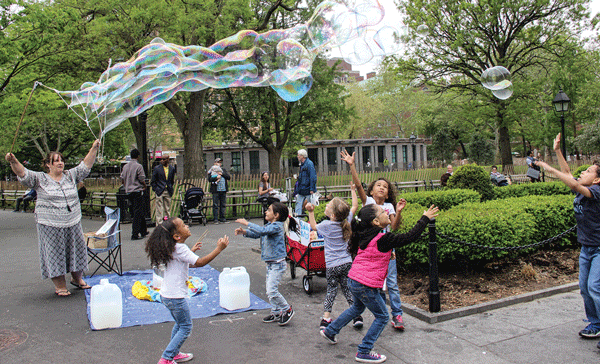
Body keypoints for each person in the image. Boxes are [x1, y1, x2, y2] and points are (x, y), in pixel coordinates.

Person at [320, 203, 439, 363]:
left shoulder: (366, 236)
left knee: (357, 308)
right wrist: (424, 219)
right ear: (376, 222)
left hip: (354, 280)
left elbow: (371, 255)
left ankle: (331, 331)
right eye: (383, 212)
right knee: (382, 316)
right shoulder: (384, 239)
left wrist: (386, 255)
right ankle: (364, 350)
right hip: (365, 284)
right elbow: (409, 237)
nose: (387, 212)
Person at [5, 140, 100, 296]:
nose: (60, 163)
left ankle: (77, 278)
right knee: (54, 253)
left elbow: (85, 166)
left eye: (61, 160)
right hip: (50, 224)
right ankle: (60, 285)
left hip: (72, 221)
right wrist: (13, 161)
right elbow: (23, 173)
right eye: (56, 161)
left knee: (77, 250)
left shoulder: (70, 175)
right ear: (48, 165)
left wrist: (93, 148)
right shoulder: (40, 179)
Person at [535, 133, 600, 348]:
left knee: (594, 287)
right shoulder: (585, 189)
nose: (583, 172)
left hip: (599, 249)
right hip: (587, 248)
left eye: (589, 171)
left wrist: (548, 168)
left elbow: (572, 184)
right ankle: (595, 323)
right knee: (584, 287)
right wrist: (557, 151)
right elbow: (568, 173)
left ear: (597, 179)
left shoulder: (596, 191)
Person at [145, 217, 229, 364]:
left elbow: (187, 264)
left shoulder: (172, 248)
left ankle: (174, 353)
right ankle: (166, 358)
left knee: (179, 323)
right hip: (176, 297)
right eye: (183, 225)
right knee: (185, 326)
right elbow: (200, 263)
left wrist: (191, 252)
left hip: (167, 295)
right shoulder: (180, 249)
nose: (187, 225)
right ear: (177, 236)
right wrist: (219, 249)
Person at [341, 149, 406, 331]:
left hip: (387, 251)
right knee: (372, 284)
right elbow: (358, 186)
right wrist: (352, 165)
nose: (381, 188)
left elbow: (394, 228)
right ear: (371, 190)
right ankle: (373, 314)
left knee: (392, 283)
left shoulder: (389, 206)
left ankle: (397, 314)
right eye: (378, 185)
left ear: (387, 194)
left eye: (385, 187)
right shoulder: (368, 202)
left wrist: (398, 212)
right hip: (370, 252)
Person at [305, 183, 361, 330]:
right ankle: (356, 316)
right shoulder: (346, 220)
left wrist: (310, 211)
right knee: (347, 289)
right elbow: (355, 206)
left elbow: (313, 226)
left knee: (331, 290)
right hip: (347, 263)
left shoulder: (326, 225)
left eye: (328, 205)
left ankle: (326, 318)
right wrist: (353, 190)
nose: (326, 205)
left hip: (331, 265)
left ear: (333, 215)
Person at [235, 202, 298, 326]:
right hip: (271, 264)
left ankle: (287, 309)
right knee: (270, 289)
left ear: (276, 215)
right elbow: (258, 233)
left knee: (271, 291)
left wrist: (247, 223)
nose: (266, 212)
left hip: (277, 265)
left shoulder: (277, 226)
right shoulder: (271, 225)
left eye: (268, 210)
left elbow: (261, 230)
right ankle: (275, 312)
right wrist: (245, 232)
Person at [121, 149, 148, 240]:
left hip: (128, 191)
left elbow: (122, 178)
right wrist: (144, 186)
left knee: (138, 210)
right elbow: (141, 178)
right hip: (137, 191)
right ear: (138, 156)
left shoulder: (125, 167)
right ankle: (135, 233)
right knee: (138, 212)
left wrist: (126, 186)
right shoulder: (138, 166)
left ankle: (144, 230)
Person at [151, 154, 176, 225]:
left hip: (168, 190)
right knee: (159, 209)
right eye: (161, 159)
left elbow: (172, 180)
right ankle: (159, 225)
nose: (162, 160)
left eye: (164, 159)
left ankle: (168, 224)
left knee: (167, 209)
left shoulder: (172, 168)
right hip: (159, 190)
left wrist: (170, 187)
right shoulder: (157, 168)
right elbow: (153, 180)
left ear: (168, 160)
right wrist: (156, 189)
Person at [295, 149, 317, 217]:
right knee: (298, 204)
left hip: (307, 189)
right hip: (302, 189)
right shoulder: (302, 164)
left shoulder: (309, 164)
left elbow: (312, 176)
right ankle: (297, 219)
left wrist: (312, 189)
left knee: (310, 205)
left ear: (302, 156)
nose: (297, 156)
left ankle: (310, 218)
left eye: (298, 155)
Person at [208, 158, 230, 224]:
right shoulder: (212, 170)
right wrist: (216, 177)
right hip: (216, 190)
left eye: (220, 162)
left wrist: (222, 174)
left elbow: (228, 177)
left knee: (223, 204)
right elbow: (209, 179)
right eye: (218, 162)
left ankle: (222, 218)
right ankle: (215, 219)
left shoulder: (223, 170)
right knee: (215, 205)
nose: (219, 163)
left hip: (223, 190)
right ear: (215, 163)